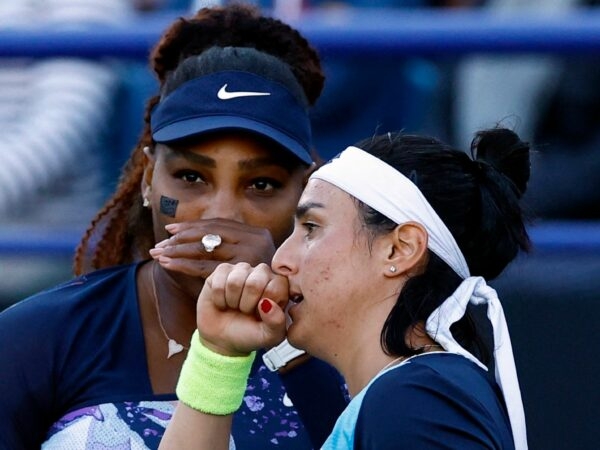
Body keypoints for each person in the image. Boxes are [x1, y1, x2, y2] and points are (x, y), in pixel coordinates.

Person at [0, 4, 348, 449]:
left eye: (261, 185)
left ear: (304, 194)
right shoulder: (38, 337)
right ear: (148, 180)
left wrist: (286, 338)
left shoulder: (340, 348)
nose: (221, 213)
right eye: (191, 178)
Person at [159, 127, 531, 449]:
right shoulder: (414, 396)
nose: (279, 260)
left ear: (399, 249)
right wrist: (217, 357)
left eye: (311, 228)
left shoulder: (416, 403)